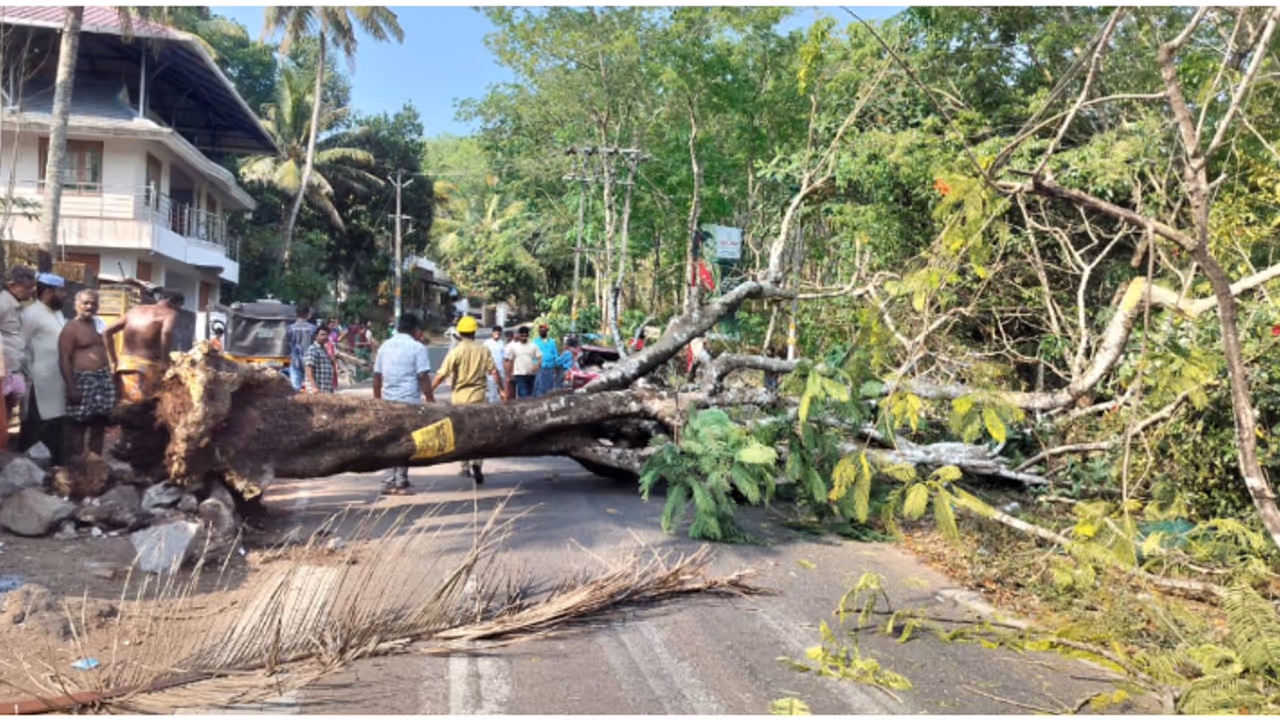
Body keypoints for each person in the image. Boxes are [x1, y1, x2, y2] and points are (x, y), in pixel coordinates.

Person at [430, 316, 504, 484]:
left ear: (460, 333)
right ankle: (477, 463)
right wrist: (501, 389)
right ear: (473, 332)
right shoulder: (483, 350)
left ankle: (464, 466)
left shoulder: (455, 351)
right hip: (478, 396)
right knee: (479, 432)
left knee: (461, 432)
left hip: (459, 398)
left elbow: (441, 375)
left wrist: (428, 392)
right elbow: (493, 372)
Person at [373, 313, 434, 494]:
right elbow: (423, 377)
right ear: (415, 330)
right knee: (405, 441)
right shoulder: (417, 348)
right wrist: (430, 400)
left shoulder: (384, 346)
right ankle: (399, 482)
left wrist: (377, 400)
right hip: (409, 402)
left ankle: (388, 480)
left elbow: (377, 376)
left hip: (388, 401)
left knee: (390, 440)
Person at [58, 290, 115, 457]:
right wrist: (71, 387)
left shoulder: (100, 324)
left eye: (94, 303)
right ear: (77, 305)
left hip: (102, 379)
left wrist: (111, 373)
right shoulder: (70, 328)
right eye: (86, 303)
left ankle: (95, 466)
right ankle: (77, 466)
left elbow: (105, 350)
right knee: (78, 425)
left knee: (99, 423)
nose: (90, 306)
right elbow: (63, 359)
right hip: (81, 380)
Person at [19, 274, 67, 463]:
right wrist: (29, 372)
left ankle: (55, 467)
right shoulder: (30, 314)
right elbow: (20, 345)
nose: (65, 295)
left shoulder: (56, 312)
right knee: (37, 425)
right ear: (47, 292)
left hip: (58, 379)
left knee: (56, 423)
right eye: (61, 291)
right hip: (39, 381)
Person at [104, 291, 183, 403]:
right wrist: (165, 362)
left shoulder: (134, 311)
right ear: (176, 303)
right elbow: (166, 332)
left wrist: (113, 361)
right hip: (147, 369)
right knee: (144, 411)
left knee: (124, 408)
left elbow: (106, 331)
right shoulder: (169, 313)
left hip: (125, 366)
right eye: (179, 307)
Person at [0, 265, 36, 448]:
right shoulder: (3, 304)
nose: (31, 292)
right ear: (13, 285)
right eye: (27, 287)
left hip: (15, 371)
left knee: (7, 416)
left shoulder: (18, 307)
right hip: (3, 372)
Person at [503, 326, 541, 400]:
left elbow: (539, 358)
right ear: (519, 335)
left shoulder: (533, 346)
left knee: (530, 394)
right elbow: (508, 360)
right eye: (522, 336)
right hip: (519, 373)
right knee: (523, 393)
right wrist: (508, 374)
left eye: (525, 336)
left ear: (528, 335)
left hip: (531, 374)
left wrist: (536, 366)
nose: (524, 337)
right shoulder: (513, 347)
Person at [286, 306, 316, 391]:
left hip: (295, 361)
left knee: (295, 389)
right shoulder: (313, 328)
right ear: (307, 314)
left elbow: (287, 343)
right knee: (310, 388)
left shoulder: (289, 328)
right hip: (309, 361)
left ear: (296, 314)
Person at [303, 325, 338, 394]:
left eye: (326, 335)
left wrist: (331, 388)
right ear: (316, 336)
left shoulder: (324, 350)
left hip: (325, 390)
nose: (325, 337)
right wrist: (314, 387)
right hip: (315, 391)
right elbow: (308, 369)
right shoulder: (313, 349)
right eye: (322, 335)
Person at [531, 322, 559, 396]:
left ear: (547, 330)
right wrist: (534, 364)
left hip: (550, 366)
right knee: (539, 384)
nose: (542, 331)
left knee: (550, 385)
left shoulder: (552, 342)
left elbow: (555, 354)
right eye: (541, 329)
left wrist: (555, 363)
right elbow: (533, 355)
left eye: (544, 329)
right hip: (540, 365)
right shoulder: (535, 341)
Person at [483, 325, 506, 404]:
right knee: (493, 391)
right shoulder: (487, 343)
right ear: (492, 333)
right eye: (496, 333)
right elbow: (484, 357)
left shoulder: (501, 343)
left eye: (499, 334)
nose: (497, 335)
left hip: (501, 369)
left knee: (502, 390)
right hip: (491, 369)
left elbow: (504, 356)